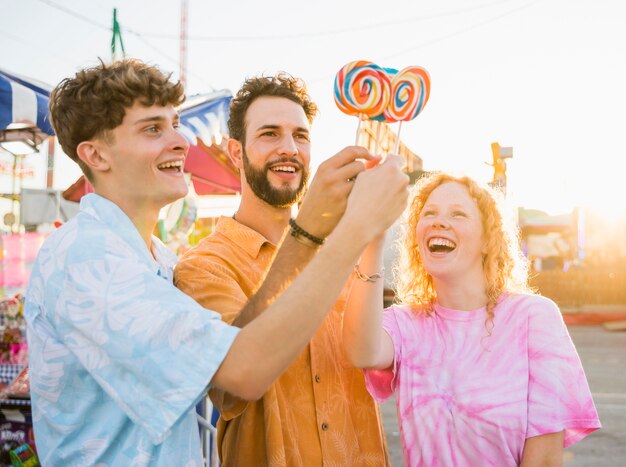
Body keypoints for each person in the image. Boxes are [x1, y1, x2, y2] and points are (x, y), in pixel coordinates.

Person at [23, 59, 409, 465]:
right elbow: (241, 375)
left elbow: (237, 349)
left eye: (175, 124)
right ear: (96, 155)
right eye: (153, 128)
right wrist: (341, 230)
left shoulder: (156, 261)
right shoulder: (86, 258)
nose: (182, 141)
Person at [174, 73, 393, 466]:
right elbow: (229, 390)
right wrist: (309, 233)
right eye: (270, 134)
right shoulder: (203, 266)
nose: (289, 148)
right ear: (236, 153)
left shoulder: (349, 248)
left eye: (301, 136)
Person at [342, 172, 601, 466]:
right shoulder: (405, 323)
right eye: (429, 213)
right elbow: (360, 351)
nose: (439, 221)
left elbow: (544, 460)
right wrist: (372, 241)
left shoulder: (535, 318)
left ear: (488, 241)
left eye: (458, 214)